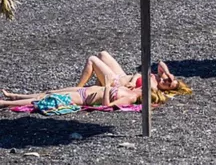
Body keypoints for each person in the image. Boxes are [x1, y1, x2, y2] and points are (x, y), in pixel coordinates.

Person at [68, 51, 190, 96]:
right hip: (123, 75)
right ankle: (97, 86)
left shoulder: (153, 88)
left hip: (116, 82)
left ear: (166, 90)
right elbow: (160, 63)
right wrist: (168, 73)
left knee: (92, 59)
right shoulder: (158, 78)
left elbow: (140, 78)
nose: (166, 81)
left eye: (168, 84)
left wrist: (133, 81)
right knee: (103, 54)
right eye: (168, 80)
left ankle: (78, 88)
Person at [0, 83, 153, 115]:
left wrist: (107, 87)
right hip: (84, 90)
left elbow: (107, 106)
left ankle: (5, 103)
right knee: (49, 91)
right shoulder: (130, 89)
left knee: (46, 98)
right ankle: (16, 96)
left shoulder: (131, 98)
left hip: (83, 97)